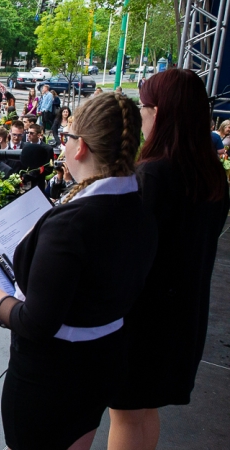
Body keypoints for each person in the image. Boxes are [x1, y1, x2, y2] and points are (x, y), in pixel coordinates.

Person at [0, 92, 158, 450]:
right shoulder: (136, 203)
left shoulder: (71, 225)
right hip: (101, 361)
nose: (62, 146)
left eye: (65, 138)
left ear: (80, 147)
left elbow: (37, 322)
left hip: (50, 377)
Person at [107, 70, 230, 450]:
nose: (140, 117)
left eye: (143, 108)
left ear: (159, 113)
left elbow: (128, 253)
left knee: (125, 413)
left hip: (142, 321)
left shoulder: (153, 174)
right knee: (146, 410)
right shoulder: (210, 174)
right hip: (183, 317)